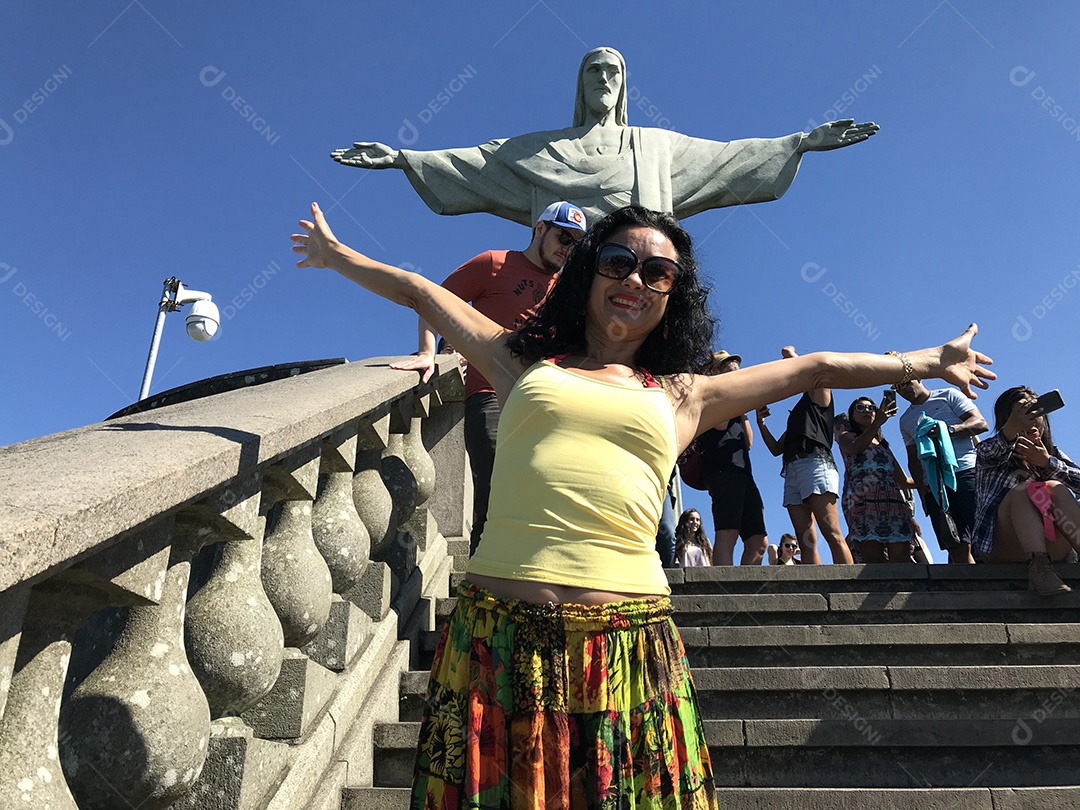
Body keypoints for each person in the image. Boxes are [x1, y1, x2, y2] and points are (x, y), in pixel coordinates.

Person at [292, 200, 993, 809]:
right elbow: (421, 291)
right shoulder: (522, 363)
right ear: (588, 271)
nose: (635, 280)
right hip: (494, 639)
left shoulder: (686, 394)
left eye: (657, 273)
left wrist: (929, 361)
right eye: (618, 262)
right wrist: (336, 254)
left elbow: (815, 368)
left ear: (673, 295)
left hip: (627, 641)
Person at [331, 47, 878, 228]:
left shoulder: (656, 146)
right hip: (567, 283)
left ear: (624, 85)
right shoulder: (540, 149)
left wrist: (799, 143)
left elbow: (727, 158)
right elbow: (476, 162)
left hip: (642, 280)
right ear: (581, 83)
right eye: (594, 70)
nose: (605, 79)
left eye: (614, 71)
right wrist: (403, 157)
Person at [391, 201, 587, 554]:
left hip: (542, 402)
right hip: (490, 394)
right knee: (496, 489)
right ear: (540, 229)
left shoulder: (567, 292)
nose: (567, 247)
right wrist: (427, 352)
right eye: (563, 236)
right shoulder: (494, 263)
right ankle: (482, 586)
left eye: (576, 243)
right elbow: (433, 301)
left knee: (541, 494)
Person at [972, 386, 1080, 595]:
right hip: (1002, 545)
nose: (1031, 420)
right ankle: (1039, 570)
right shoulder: (990, 450)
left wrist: (1047, 463)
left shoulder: (1054, 454)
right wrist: (1012, 428)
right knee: (1026, 490)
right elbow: (990, 454)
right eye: (1023, 414)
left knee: (1053, 488)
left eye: (1036, 413)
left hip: (1055, 545)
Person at [756, 346, 854, 565]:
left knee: (831, 532)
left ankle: (851, 583)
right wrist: (761, 424)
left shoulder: (820, 399)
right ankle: (815, 585)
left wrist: (791, 355)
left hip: (816, 463)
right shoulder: (798, 415)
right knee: (805, 538)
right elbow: (775, 448)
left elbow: (813, 372)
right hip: (791, 469)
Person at [897, 379, 989, 564]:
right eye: (896, 386)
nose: (903, 389)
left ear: (919, 377)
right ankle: (971, 587)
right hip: (934, 484)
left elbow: (980, 423)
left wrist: (948, 430)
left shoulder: (948, 395)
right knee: (954, 543)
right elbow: (913, 459)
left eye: (906, 382)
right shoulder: (905, 419)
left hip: (966, 471)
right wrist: (923, 491)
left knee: (983, 535)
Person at [696, 350, 769, 565]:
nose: (735, 366)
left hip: (742, 472)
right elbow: (720, 424)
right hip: (722, 471)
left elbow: (748, 442)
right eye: (728, 363)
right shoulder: (714, 394)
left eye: (735, 362)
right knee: (728, 533)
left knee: (758, 539)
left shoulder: (737, 402)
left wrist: (746, 411)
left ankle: (745, 589)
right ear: (715, 370)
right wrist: (738, 399)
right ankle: (724, 592)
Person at [835, 395, 916, 563]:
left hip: (892, 500)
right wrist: (878, 422)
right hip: (863, 501)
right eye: (860, 408)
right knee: (872, 555)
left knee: (901, 555)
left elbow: (903, 480)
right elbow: (856, 447)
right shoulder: (846, 435)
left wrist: (929, 481)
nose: (867, 410)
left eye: (871, 408)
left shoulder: (883, 445)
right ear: (852, 415)